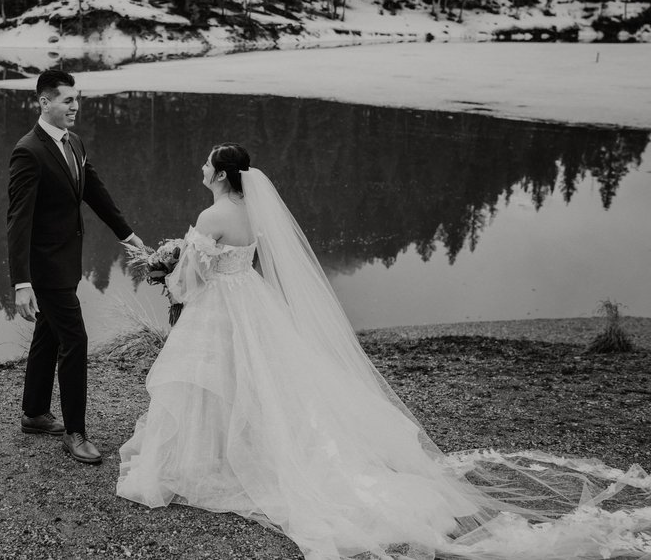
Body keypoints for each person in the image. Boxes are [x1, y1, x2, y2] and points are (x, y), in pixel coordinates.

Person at [117, 143, 650, 559]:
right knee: (259, 380)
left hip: (223, 308)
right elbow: (244, 263)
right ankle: (233, 448)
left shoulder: (211, 219)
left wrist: (170, 269)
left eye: (207, 163)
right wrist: (181, 262)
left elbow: (194, 277)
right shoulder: (253, 213)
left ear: (218, 174)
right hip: (251, 303)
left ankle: (210, 455)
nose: (202, 167)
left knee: (212, 378)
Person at [7, 69, 143, 464]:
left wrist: (128, 235)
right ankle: (75, 432)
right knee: (76, 340)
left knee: (49, 334)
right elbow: (18, 221)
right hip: (44, 267)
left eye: (77, 99)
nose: (75, 106)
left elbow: (94, 191)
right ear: (44, 102)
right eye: (68, 100)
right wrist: (21, 282)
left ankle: (34, 413)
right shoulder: (28, 151)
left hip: (67, 262)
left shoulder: (75, 143)